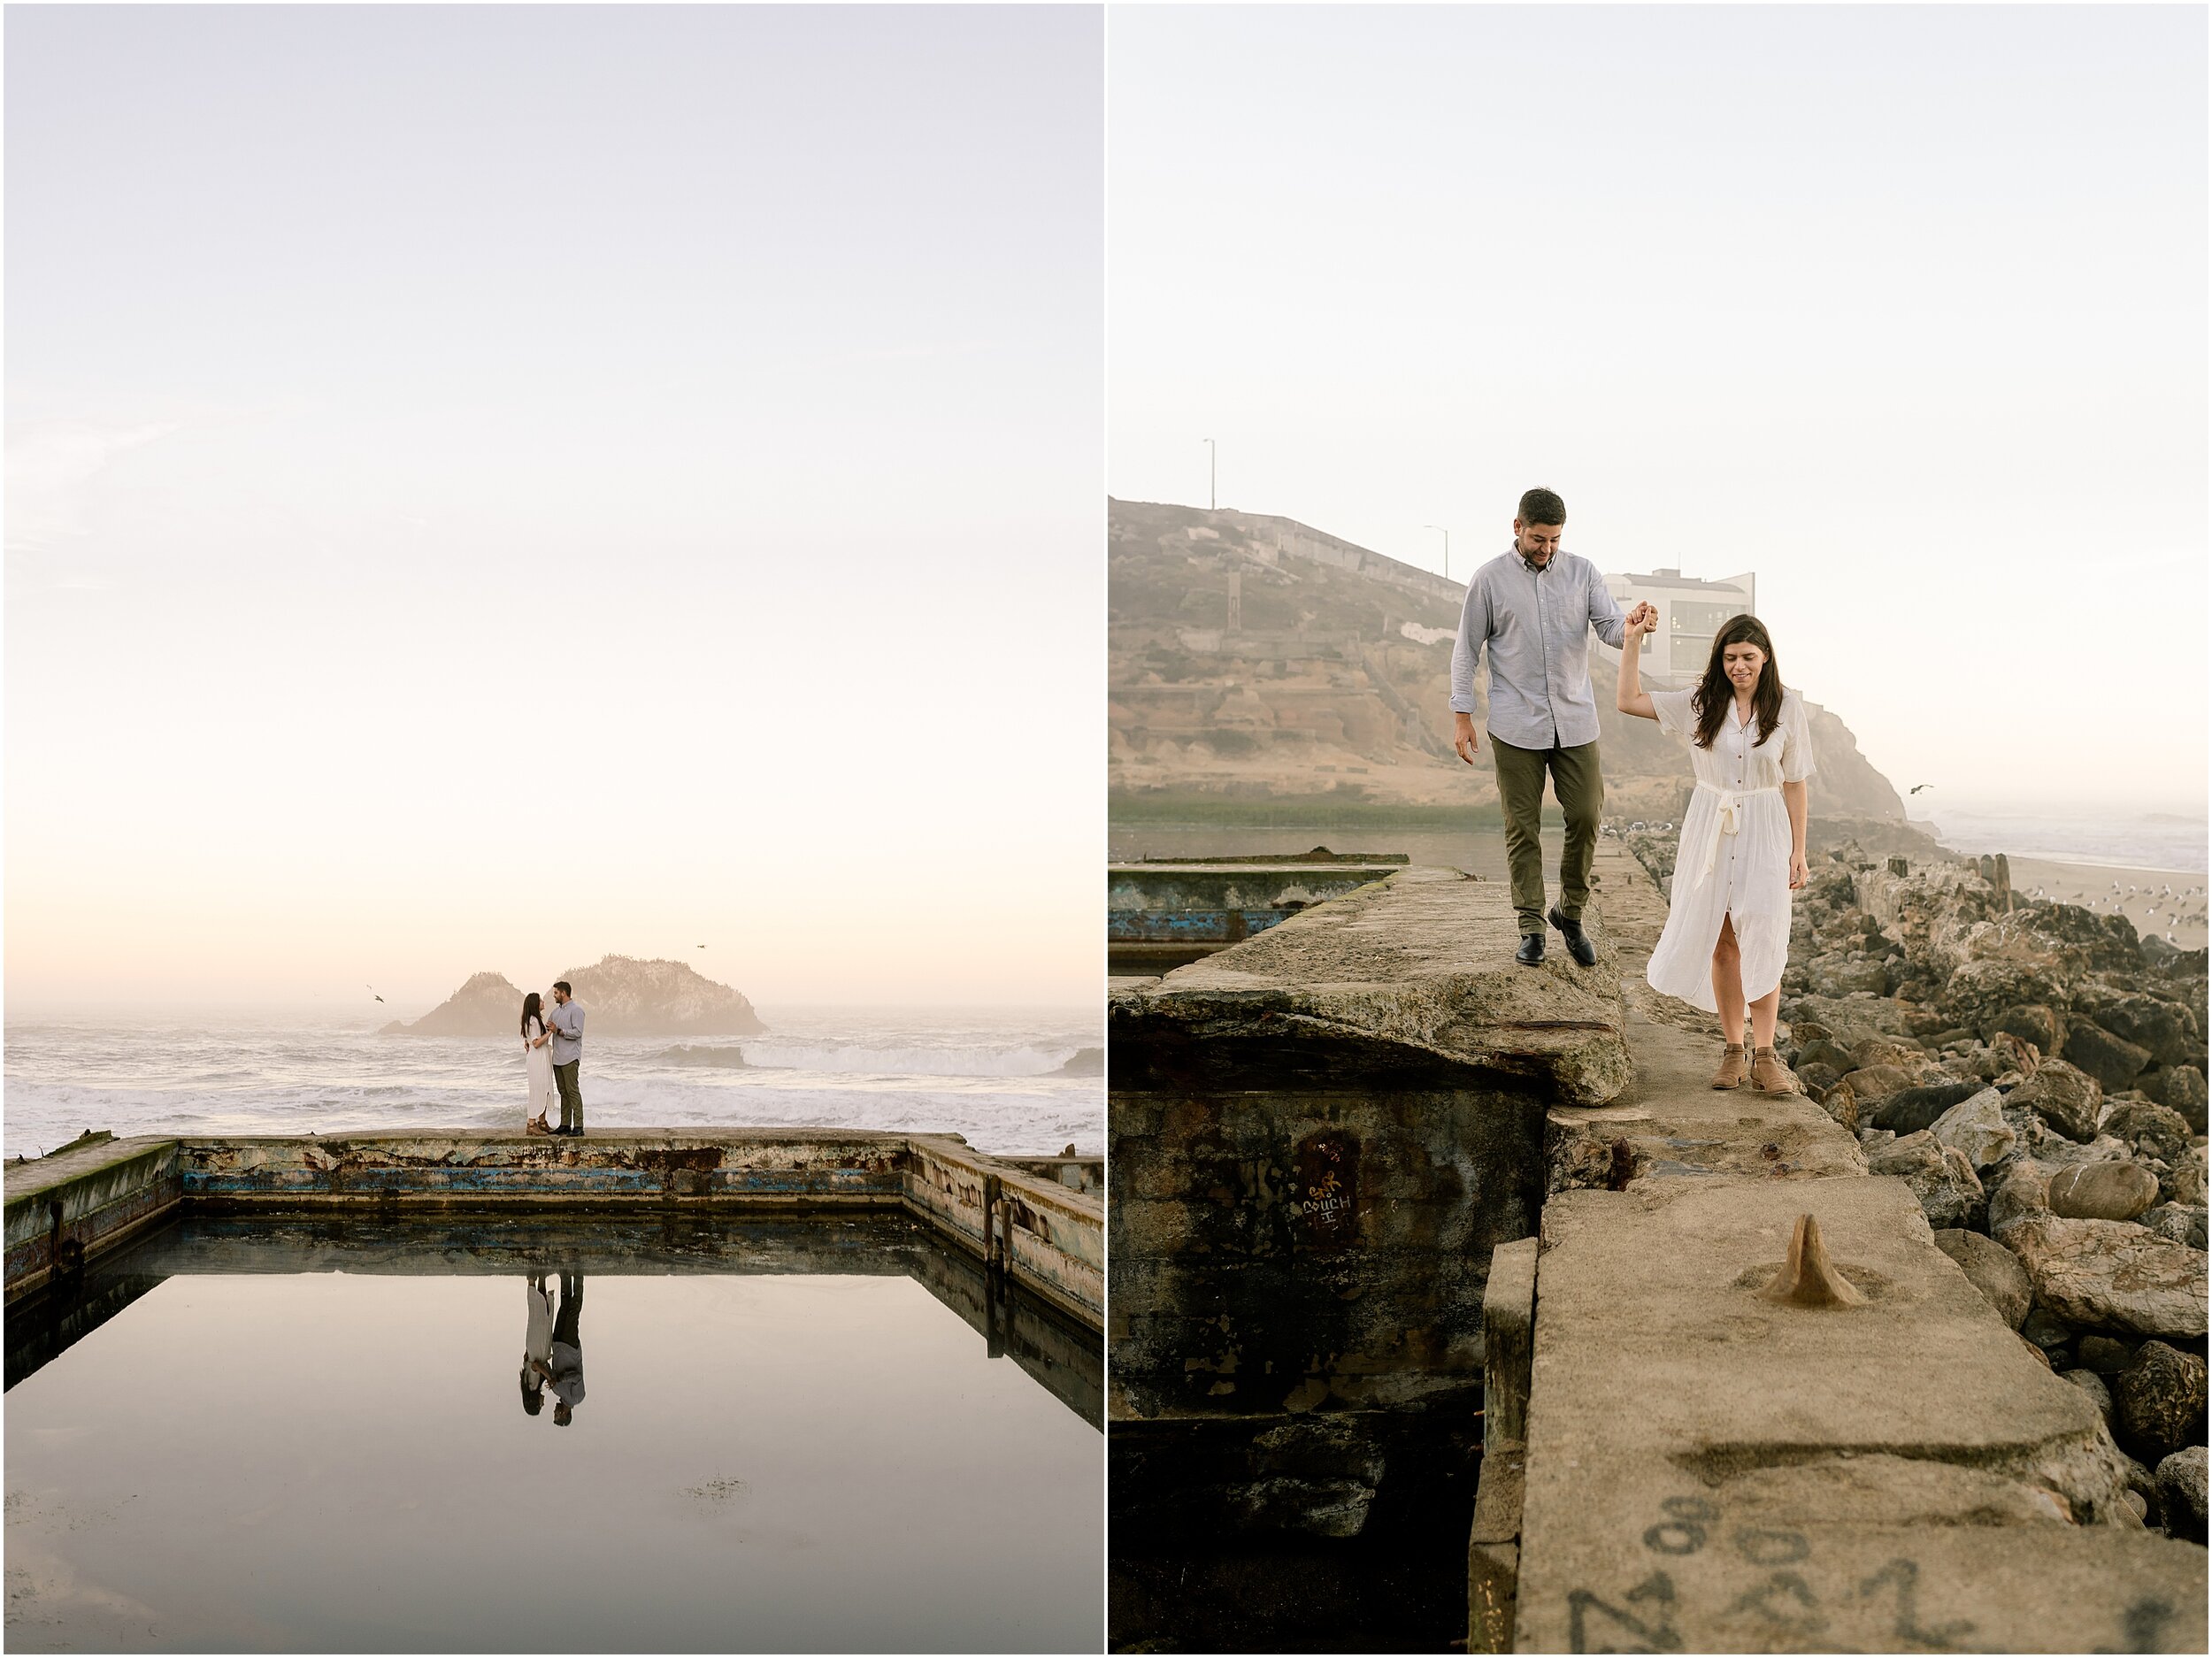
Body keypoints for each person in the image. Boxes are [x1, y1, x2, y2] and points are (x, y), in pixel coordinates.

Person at [1616, 609, 1815, 1093]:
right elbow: (1628, 701)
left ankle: (1766, 1055)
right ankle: (1733, 1051)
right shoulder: (1698, 702)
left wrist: (1799, 852)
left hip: (1767, 826)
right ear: (1719, 659)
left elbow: (1795, 783)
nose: (1739, 666)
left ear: (1765, 658)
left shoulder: (1787, 707)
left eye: (1748, 656)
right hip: (1711, 823)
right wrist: (1632, 640)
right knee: (1723, 940)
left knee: (1764, 935)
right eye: (1730, 657)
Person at [1449, 487, 1631, 966]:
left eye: (1554, 540)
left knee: (1588, 815)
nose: (1546, 548)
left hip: (1576, 720)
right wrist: (1462, 715)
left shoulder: (1583, 572)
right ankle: (1531, 925)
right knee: (1522, 828)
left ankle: (1569, 912)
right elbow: (1466, 650)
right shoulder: (1488, 581)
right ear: (1517, 528)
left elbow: (1609, 627)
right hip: (1514, 725)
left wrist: (1634, 627)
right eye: (1537, 538)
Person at [545, 1271, 586, 1426]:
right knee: (573, 1312)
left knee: (564, 1307)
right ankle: (579, 1276)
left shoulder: (556, 1391)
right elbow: (577, 1377)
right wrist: (560, 1379)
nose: (554, 1411)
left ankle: (565, 1274)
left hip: (558, 1344)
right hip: (570, 1347)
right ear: (564, 1414)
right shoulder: (577, 1397)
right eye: (556, 1415)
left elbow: (550, 1372)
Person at [547, 980, 586, 1136]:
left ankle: (579, 1126)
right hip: (557, 1058)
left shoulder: (576, 1011)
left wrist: (560, 1031)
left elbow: (578, 1032)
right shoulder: (555, 1013)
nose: (554, 995)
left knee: (572, 1091)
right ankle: (565, 1124)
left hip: (570, 1058)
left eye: (556, 993)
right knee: (563, 1092)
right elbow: (547, 1029)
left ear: (563, 993)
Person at [520, 992, 557, 1135]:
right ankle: (531, 1124)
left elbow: (530, 1041)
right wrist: (550, 1033)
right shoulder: (533, 1020)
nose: (543, 1002)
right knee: (538, 1089)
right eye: (540, 1000)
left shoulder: (533, 1019)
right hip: (538, 1058)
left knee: (544, 1088)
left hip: (539, 1057)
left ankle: (542, 1122)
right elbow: (535, 1043)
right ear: (535, 1004)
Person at [519, 1272, 556, 1416]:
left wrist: (549, 1377)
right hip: (535, 1347)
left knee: (539, 1315)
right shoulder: (527, 1385)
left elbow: (534, 1365)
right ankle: (540, 1277)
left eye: (540, 1406)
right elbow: (526, 1361)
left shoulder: (533, 1386)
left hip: (538, 1348)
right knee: (540, 1313)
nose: (543, 1403)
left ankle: (534, 1280)